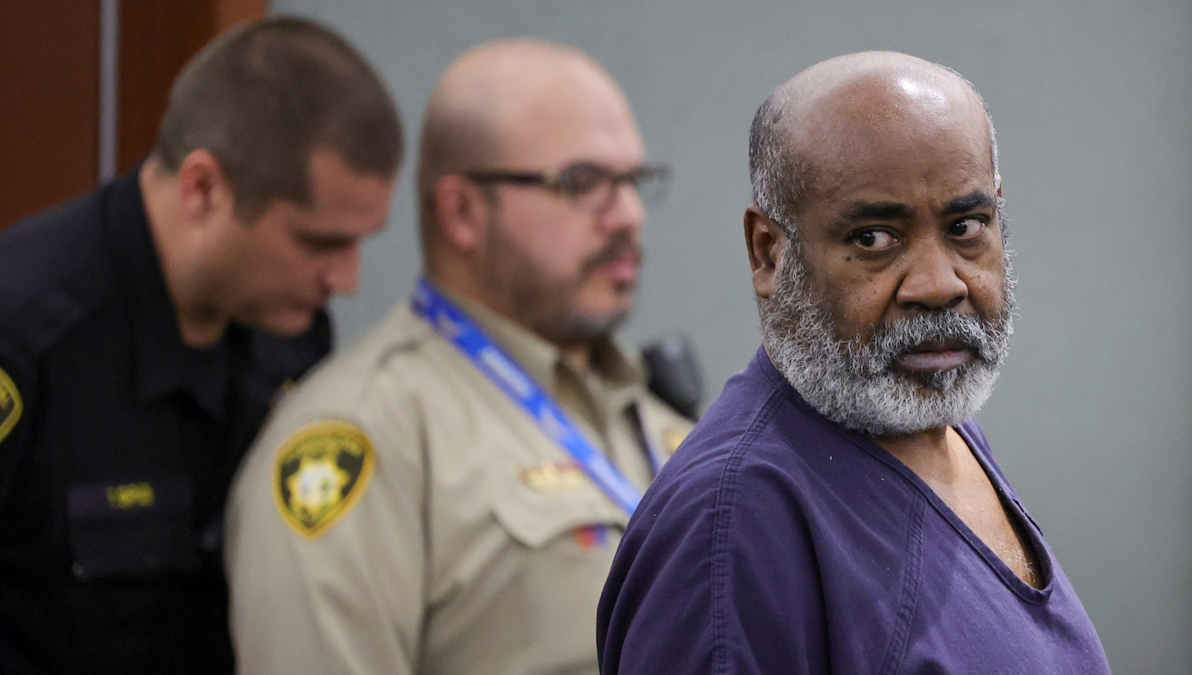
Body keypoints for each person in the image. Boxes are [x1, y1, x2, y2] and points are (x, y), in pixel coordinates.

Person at [597, 51, 1111, 674]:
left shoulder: (933, 423)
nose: (938, 283)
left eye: (966, 226)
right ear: (769, 253)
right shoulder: (733, 527)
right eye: (873, 238)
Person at [225, 39, 694, 675]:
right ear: (463, 213)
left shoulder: (658, 416)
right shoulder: (367, 433)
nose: (630, 215)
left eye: (635, 182)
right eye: (583, 183)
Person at [0, 17, 402, 675]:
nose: (347, 281)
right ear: (204, 189)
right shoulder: (25, 334)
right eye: (320, 242)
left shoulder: (291, 326)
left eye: (362, 241)